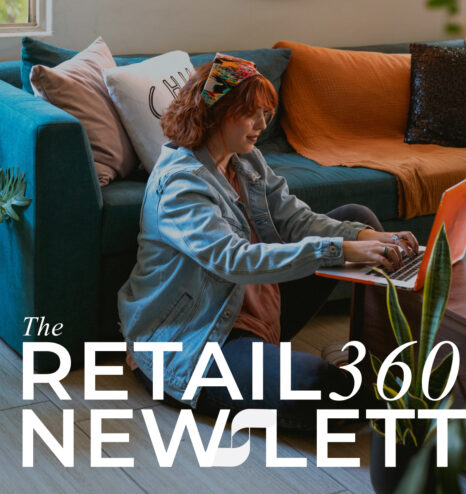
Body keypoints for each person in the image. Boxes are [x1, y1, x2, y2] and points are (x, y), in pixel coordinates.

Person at [118, 53, 419, 431]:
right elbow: (234, 261)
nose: (263, 125)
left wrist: (368, 238)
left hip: (258, 310)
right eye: (253, 114)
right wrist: (340, 251)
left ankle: (375, 360)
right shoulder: (181, 185)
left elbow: (295, 219)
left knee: (359, 218)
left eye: (265, 114)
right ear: (218, 113)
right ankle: (394, 398)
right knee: (315, 385)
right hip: (199, 338)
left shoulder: (246, 160)